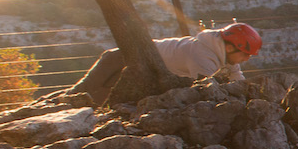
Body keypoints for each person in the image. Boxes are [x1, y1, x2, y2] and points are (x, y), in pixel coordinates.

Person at [63, 22, 262, 104]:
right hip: (121, 58)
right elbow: (205, 93)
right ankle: (54, 103)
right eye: (246, 54)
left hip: (140, 66)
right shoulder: (202, 56)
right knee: (81, 92)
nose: (246, 59)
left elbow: (238, 80)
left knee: (98, 98)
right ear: (229, 48)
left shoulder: (222, 51)